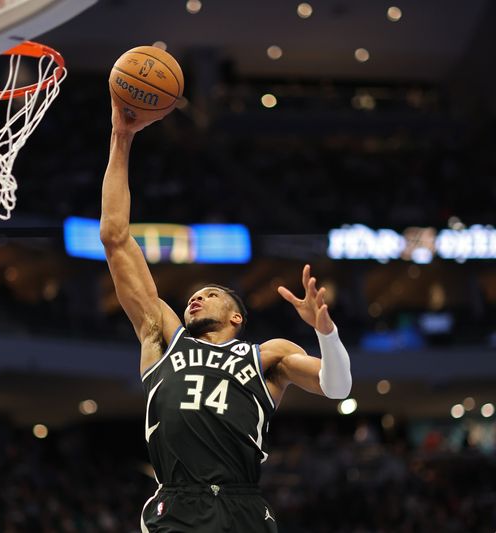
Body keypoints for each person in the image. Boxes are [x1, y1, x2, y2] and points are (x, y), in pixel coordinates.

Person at [98, 99, 353, 533]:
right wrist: (122, 137)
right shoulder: (163, 337)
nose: (195, 299)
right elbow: (115, 237)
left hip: (242, 505)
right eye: (193, 296)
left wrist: (326, 331)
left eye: (210, 295)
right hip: (177, 503)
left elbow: (338, 385)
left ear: (237, 317)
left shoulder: (268, 357)